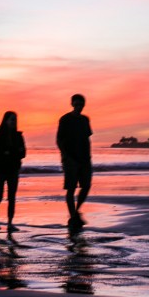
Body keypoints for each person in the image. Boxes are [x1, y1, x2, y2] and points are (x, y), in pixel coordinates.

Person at [56, 94, 92, 227]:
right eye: (77, 104)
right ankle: (72, 216)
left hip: (84, 159)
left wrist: (88, 156)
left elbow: (87, 138)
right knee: (71, 188)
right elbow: (59, 139)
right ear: (72, 104)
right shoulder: (65, 119)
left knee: (86, 186)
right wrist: (65, 156)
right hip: (70, 159)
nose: (79, 107)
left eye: (81, 105)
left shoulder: (84, 120)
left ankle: (76, 212)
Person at [0, 111, 26, 232]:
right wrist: (14, 152)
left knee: (12, 197)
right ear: (6, 121)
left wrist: (11, 152)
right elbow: (1, 152)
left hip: (13, 170)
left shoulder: (19, 136)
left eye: (15, 119)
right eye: (11, 119)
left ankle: (10, 223)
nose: (14, 122)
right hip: (0, 170)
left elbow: (23, 153)